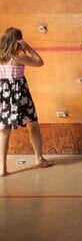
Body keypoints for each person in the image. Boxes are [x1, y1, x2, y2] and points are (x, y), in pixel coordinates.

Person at [0, 28, 52, 176]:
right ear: (18, 40)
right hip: (19, 94)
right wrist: (28, 47)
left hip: (2, 94)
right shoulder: (17, 56)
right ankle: (39, 159)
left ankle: (2, 168)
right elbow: (39, 62)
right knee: (33, 124)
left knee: (3, 130)